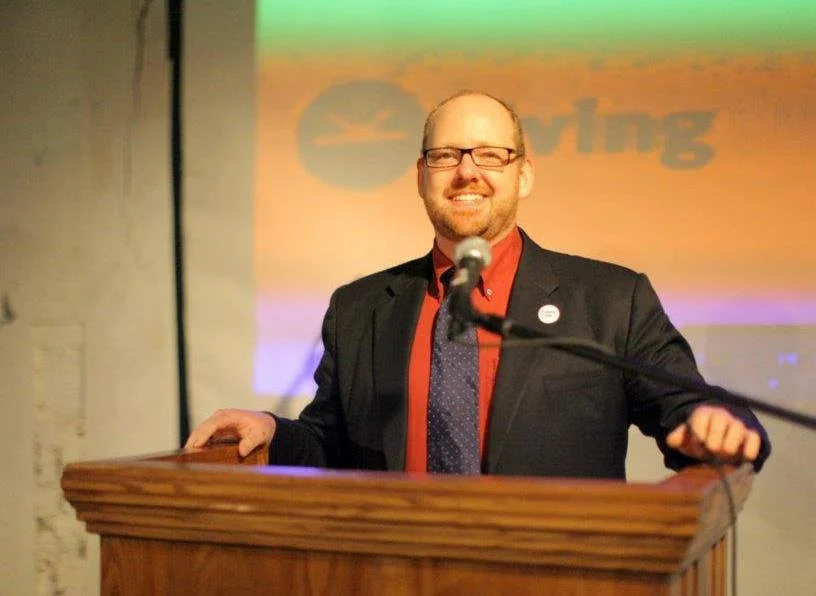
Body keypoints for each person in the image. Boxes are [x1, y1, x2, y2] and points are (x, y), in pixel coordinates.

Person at [186, 91, 770, 478]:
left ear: (525, 174)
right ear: (420, 177)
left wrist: (714, 426)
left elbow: (689, 410)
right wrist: (273, 433)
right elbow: (332, 444)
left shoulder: (612, 299)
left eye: (490, 154)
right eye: (446, 155)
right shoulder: (358, 308)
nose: (468, 171)